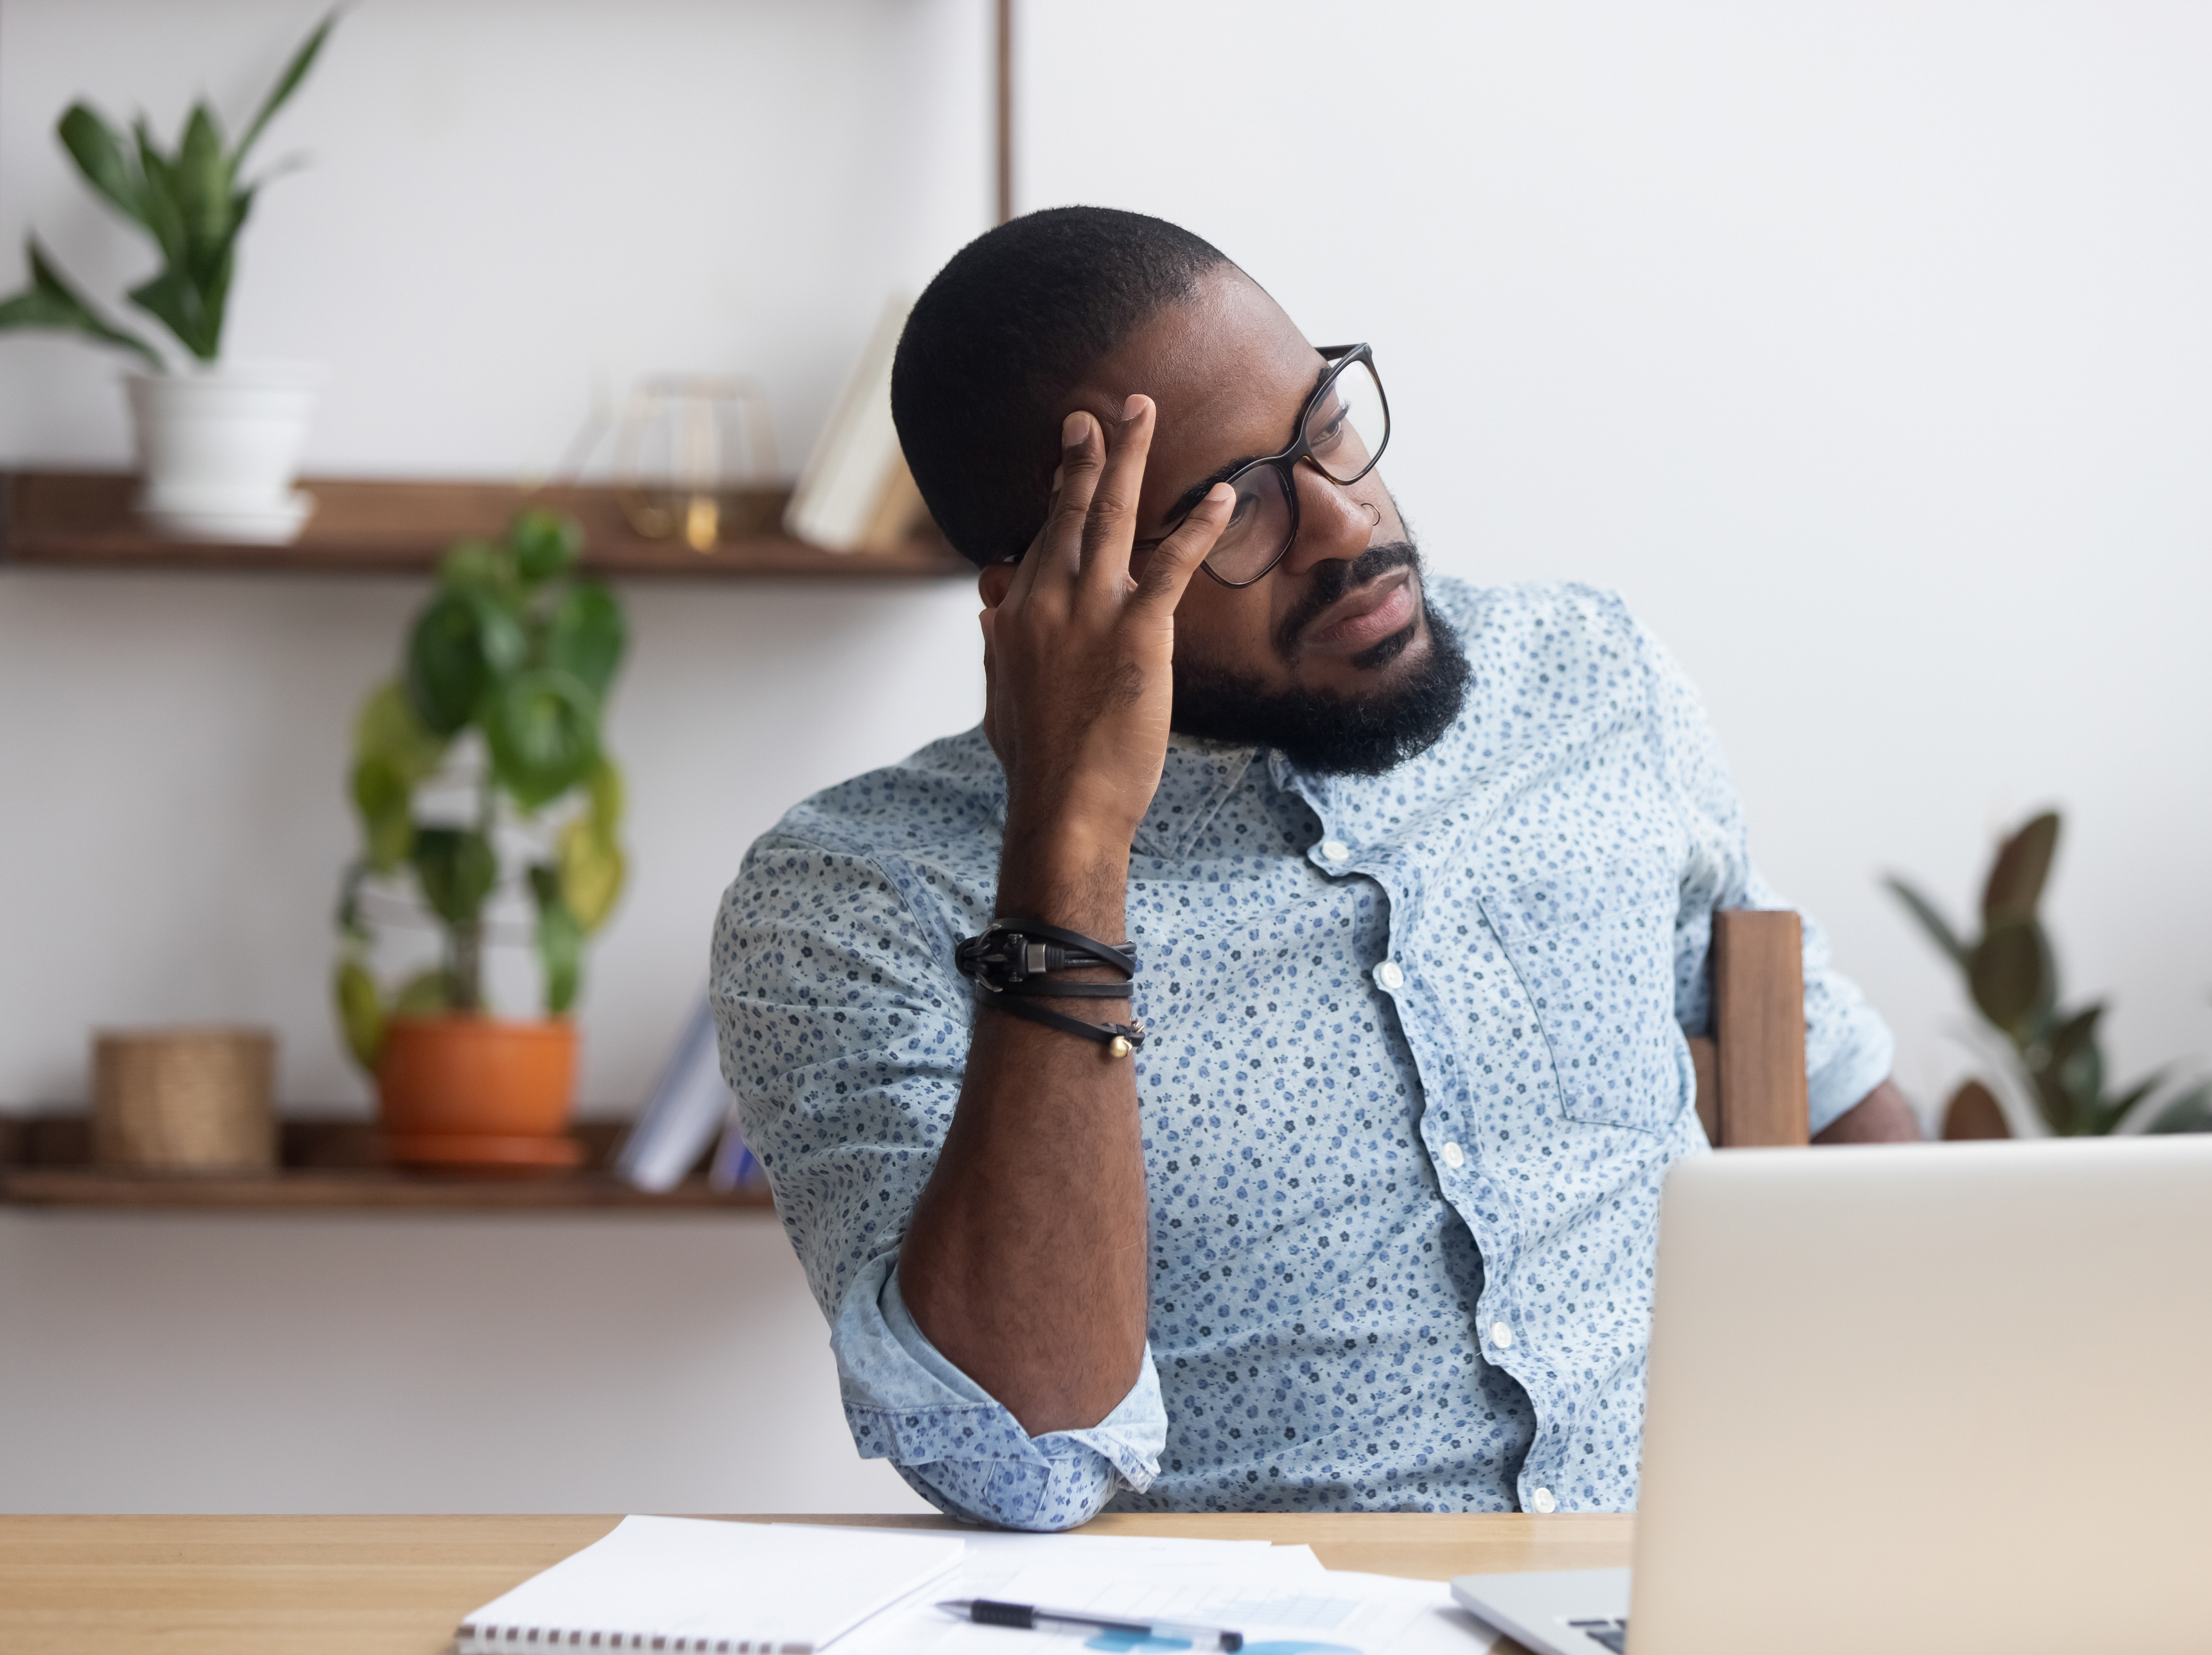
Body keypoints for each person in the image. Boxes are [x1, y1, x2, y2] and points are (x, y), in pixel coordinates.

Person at [711, 206, 1918, 1532]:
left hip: (1692, 1599)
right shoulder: (855, 898)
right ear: (1047, 591)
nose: (1346, 524)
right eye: (1228, 511)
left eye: (1326, 421)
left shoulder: (1589, 676)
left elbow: (1820, 1077)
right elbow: (1025, 1461)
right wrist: (1070, 841)